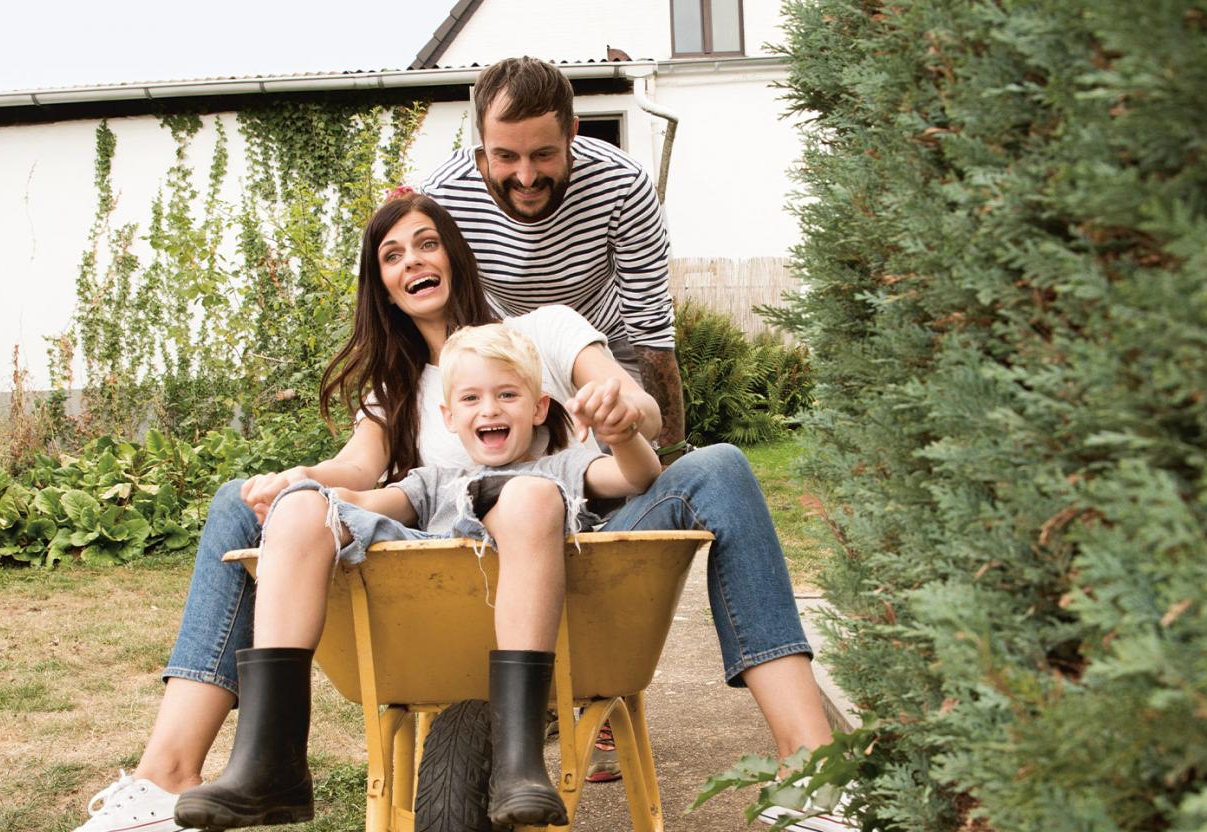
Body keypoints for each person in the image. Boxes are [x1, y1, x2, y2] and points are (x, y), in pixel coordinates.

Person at [73, 192, 834, 832]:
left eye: (426, 244)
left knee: (723, 466)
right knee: (240, 501)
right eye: (392, 256)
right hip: (440, 580)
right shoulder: (403, 388)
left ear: (456, 254)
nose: (412, 263)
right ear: (382, 285)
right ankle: (168, 775)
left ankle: (815, 773)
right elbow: (356, 471)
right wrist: (295, 481)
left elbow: (632, 417)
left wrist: (622, 406)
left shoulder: (542, 334)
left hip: (577, 560)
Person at [172, 323, 660, 829]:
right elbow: (363, 502)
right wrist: (302, 485)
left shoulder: (562, 470)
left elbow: (635, 477)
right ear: (448, 418)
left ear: (539, 408)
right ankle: (270, 763)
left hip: (540, 608)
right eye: (471, 398)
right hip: (425, 634)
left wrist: (622, 437)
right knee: (299, 510)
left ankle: (520, 761)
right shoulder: (433, 483)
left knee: (530, 496)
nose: (489, 409)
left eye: (507, 395)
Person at [423, 56, 688, 462]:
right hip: (504, 347)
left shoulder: (623, 186)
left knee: (626, 454)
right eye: (506, 156)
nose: (526, 177)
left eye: (543, 154)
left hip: (606, 343)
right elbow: (439, 308)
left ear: (572, 134)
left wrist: (669, 451)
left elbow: (650, 327)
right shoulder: (444, 196)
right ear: (481, 140)